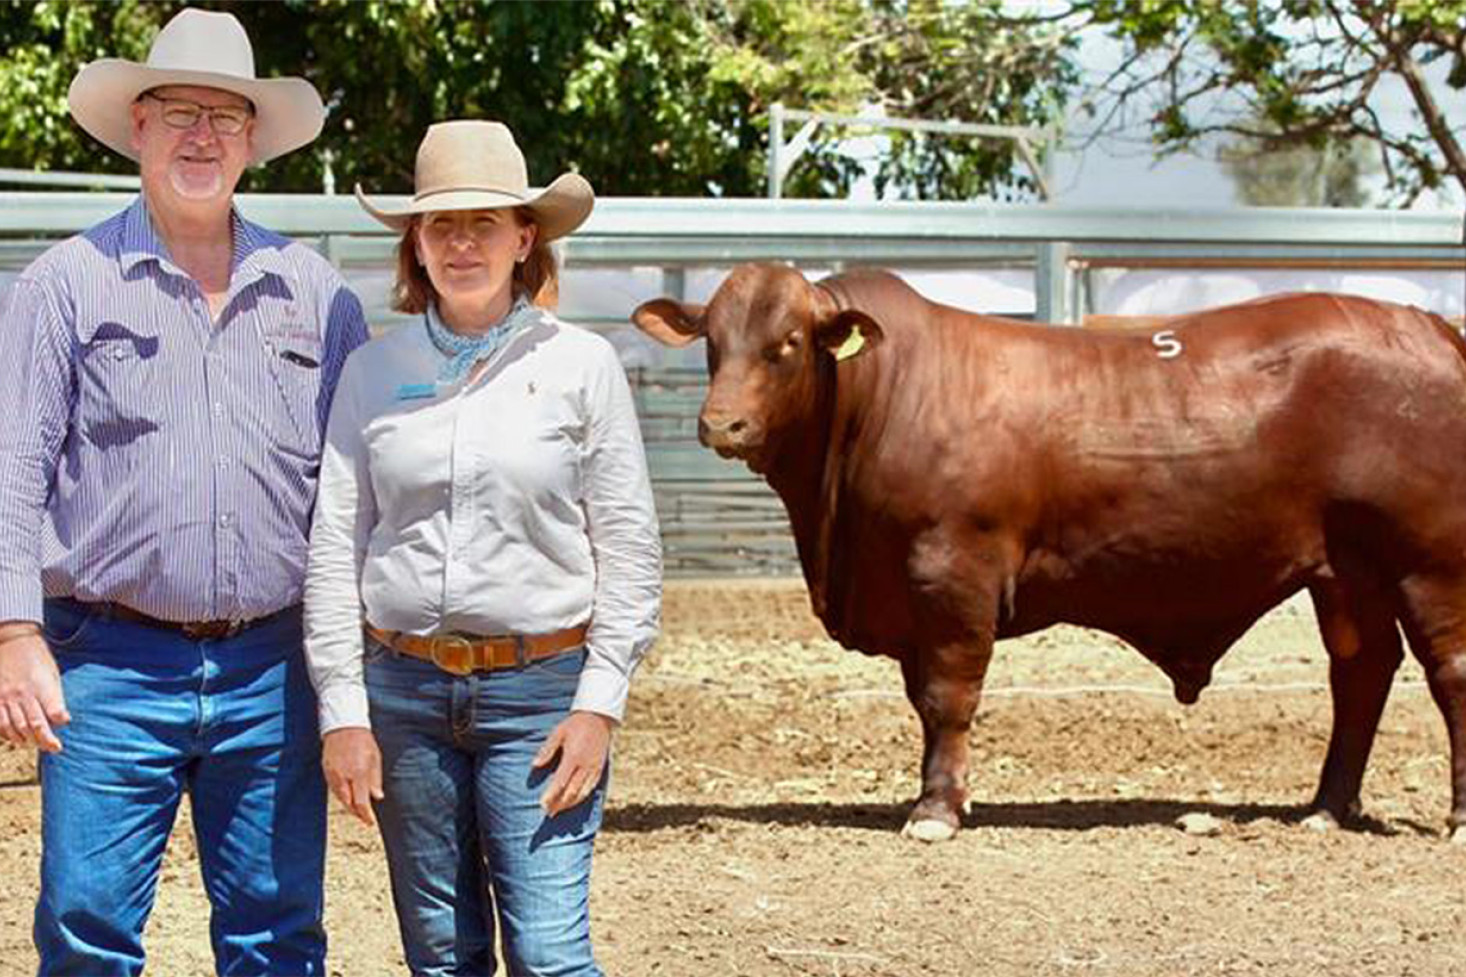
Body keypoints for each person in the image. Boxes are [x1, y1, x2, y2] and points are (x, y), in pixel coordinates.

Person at [0, 9, 369, 975]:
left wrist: (353, 671)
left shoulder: (318, 294)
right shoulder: (63, 285)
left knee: (277, 935)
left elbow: (354, 491)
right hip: (106, 662)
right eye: (178, 113)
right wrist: (13, 634)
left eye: (224, 116)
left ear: (253, 139)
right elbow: (13, 470)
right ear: (137, 128)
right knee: (87, 932)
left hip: (272, 664)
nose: (201, 135)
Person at [304, 119, 661, 976]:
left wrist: (599, 702)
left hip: (539, 694)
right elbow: (333, 549)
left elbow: (629, 544)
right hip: (403, 690)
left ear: (525, 237)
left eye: (485, 222)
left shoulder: (582, 365)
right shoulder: (371, 374)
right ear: (416, 246)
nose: (462, 242)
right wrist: (344, 710)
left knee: (547, 949)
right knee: (441, 952)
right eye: (441, 224)